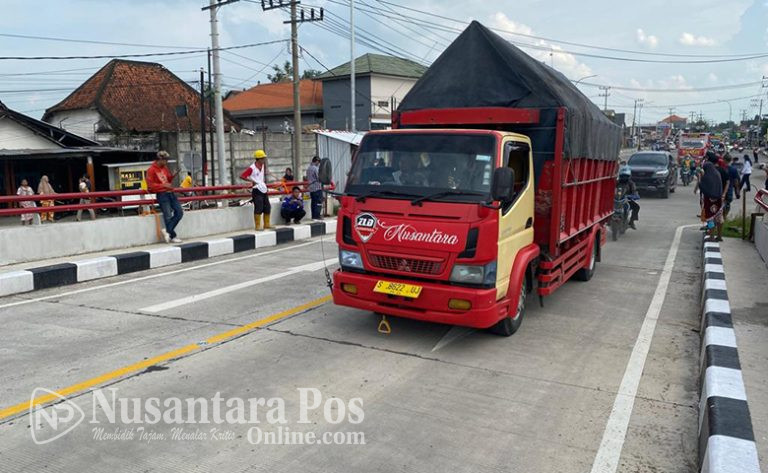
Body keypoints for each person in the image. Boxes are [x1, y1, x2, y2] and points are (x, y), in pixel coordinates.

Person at [146, 150, 183, 243]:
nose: (166, 162)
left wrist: (172, 176)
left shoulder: (164, 168)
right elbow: (150, 186)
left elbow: (167, 180)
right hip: (162, 194)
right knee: (168, 216)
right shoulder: (151, 170)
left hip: (170, 193)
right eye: (165, 160)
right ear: (160, 159)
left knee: (179, 212)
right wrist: (163, 186)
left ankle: (167, 231)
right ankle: (172, 236)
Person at [240, 149, 274, 231]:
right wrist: (251, 181)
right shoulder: (252, 168)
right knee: (259, 207)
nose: (264, 160)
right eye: (262, 158)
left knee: (267, 207)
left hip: (263, 188)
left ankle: (267, 224)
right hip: (256, 190)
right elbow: (242, 176)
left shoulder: (262, 166)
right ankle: (258, 226)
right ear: (258, 159)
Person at [697, 152, 725, 241]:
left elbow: (701, 186)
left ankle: (712, 236)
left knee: (710, 219)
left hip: (709, 200)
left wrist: (699, 178)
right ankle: (719, 236)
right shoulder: (717, 173)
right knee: (719, 218)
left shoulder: (707, 176)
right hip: (719, 199)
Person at [306, 156, 323, 220]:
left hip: (311, 188)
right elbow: (319, 178)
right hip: (317, 187)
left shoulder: (308, 168)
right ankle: (317, 215)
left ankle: (313, 216)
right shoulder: (315, 168)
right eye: (318, 162)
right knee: (318, 202)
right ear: (316, 161)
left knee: (313, 202)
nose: (319, 164)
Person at [722, 155, 739, 219]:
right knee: (727, 204)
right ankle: (724, 217)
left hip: (721, 189)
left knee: (721, 204)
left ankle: (721, 218)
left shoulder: (721, 168)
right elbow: (736, 181)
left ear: (724, 160)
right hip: (729, 190)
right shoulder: (734, 169)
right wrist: (737, 191)